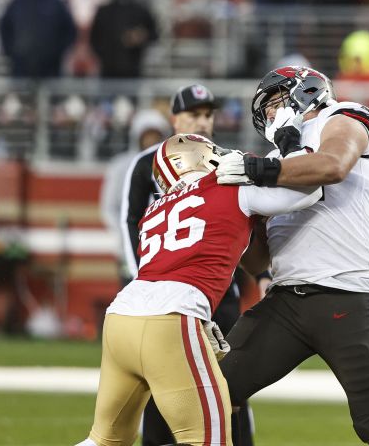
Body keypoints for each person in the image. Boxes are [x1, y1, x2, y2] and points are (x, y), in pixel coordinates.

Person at [73, 134, 324, 446]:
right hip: (171, 318)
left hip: (122, 316)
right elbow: (310, 188)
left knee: (104, 440)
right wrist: (291, 147)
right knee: (209, 439)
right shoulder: (230, 186)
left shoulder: (156, 209)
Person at [214, 67, 369, 446]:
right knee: (217, 393)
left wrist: (257, 170)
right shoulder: (275, 156)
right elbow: (256, 264)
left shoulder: (342, 116)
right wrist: (245, 219)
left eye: (275, 102)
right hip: (287, 299)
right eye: (267, 109)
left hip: (348, 295)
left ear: (305, 92)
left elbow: (332, 166)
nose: (272, 115)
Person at [121, 83, 254, 446]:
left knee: (230, 385)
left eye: (208, 114)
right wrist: (145, 281)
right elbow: (130, 221)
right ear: (174, 118)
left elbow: (245, 224)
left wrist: (255, 274)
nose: (203, 122)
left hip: (218, 292)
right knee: (160, 384)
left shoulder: (228, 161)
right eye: (194, 114)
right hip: (164, 293)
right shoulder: (148, 162)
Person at [99, 108, 170, 280]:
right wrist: (127, 233)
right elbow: (109, 207)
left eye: (156, 135)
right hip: (132, 247)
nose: (152, 141)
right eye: (147, 135)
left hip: (165, 247)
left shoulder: (172, 166)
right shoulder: (121, 166)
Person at [0, 0, 77, 79]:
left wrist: (57, 53)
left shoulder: (55, 4)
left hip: (51, 71)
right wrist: (12, 53)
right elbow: (5, 29)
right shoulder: (17, 3)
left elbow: (70, 31)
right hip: (21, 70)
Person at [89, 0, 159, 79]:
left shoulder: (140, 9)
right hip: (108, 72)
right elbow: (94, 39)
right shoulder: (103, 11)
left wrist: (141, 37)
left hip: (133, 71)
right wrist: (105, 55)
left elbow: (154, 34)